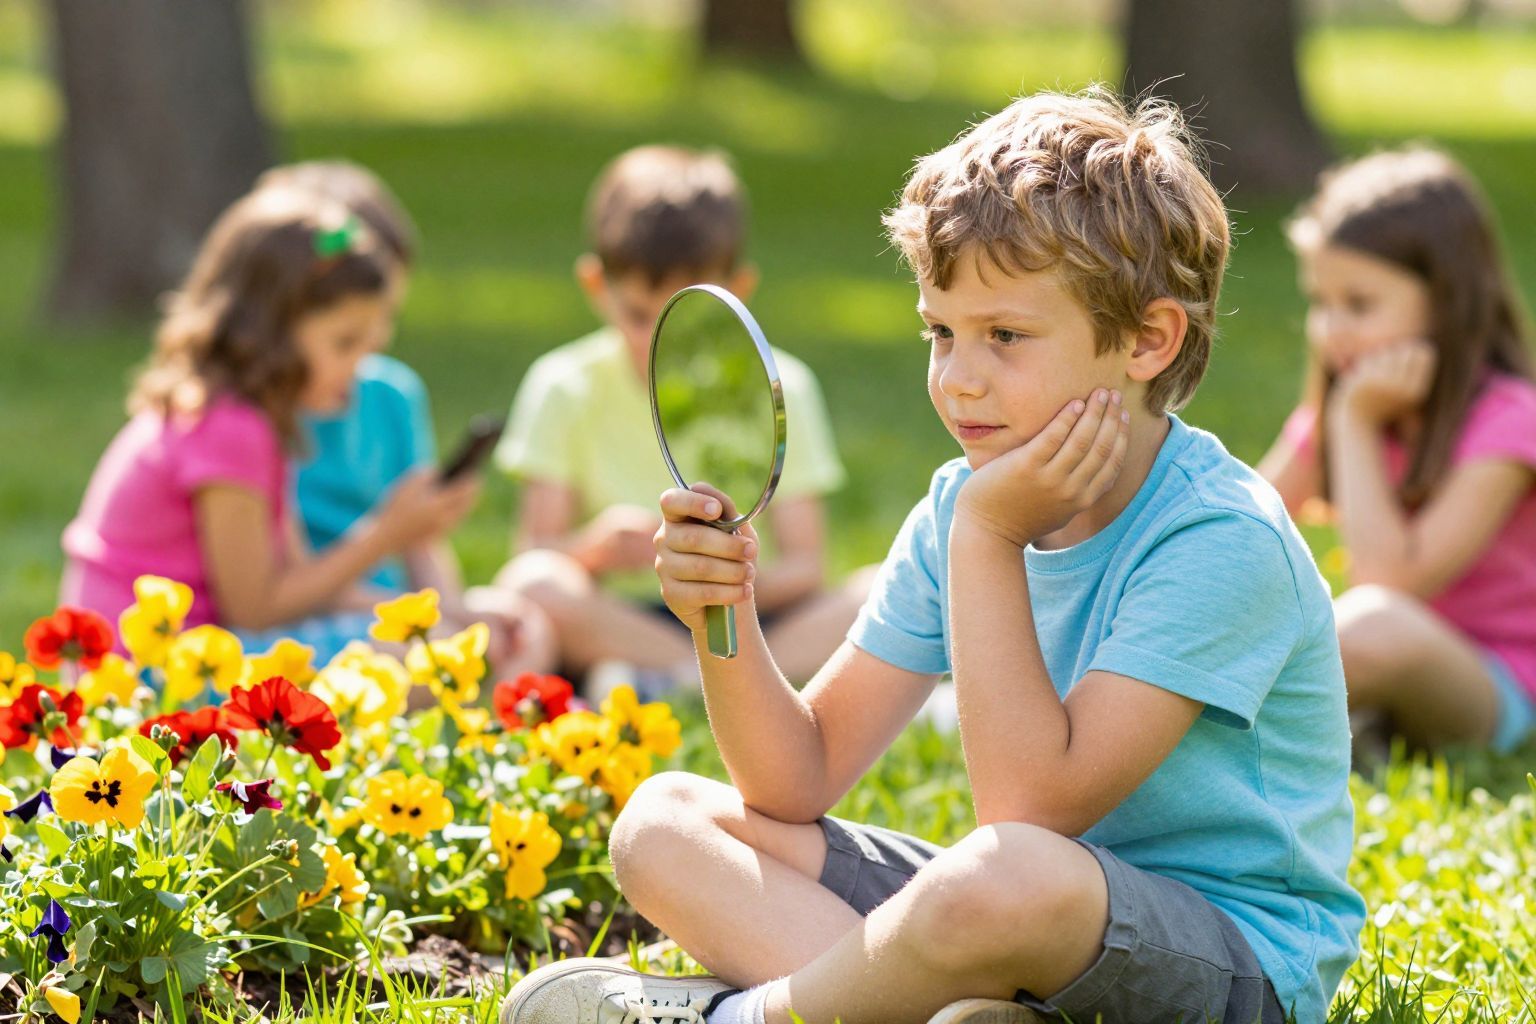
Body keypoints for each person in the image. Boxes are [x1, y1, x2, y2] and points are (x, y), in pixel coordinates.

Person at [499, 89, 1365, 1024]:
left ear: (1148, 340)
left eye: (1005, 335)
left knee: (1008, 874)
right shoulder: (964, 503)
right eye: (941, 331)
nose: (958, 377)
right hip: (1013, 921)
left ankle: (745, 1018)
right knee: (664, 822)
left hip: (1232, 963)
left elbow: (1029, 813)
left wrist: (990, 539)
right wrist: (726, 611)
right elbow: (796, 778)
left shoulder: (1217, 536)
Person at [492, 145, 870, 689]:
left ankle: (679, 681)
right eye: (639, 315)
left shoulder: (782, 386)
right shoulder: (564, 384)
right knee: (533, 584)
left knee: (878, 590)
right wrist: (596, 550)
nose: (658, 339)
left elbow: (807, 566)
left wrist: (722, 573)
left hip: (744, 614)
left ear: (738, 292)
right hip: (625, 616)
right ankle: (722, 685)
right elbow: (534, 554)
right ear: (598, 287)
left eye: (685, 316)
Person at [61, 187, 473, 668]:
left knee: (430, 646)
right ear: (268, 334)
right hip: (147, 680)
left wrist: (436, 617)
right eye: (344, 344)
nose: (360, 366)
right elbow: (257, 609)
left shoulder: (254, 419)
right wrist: (386, 534)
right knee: (408, 664)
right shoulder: (230, 428)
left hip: (193, 657)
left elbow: (304, 583)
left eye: (372, 342)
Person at [1259, 147, 1536, 759]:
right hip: (1381, 651)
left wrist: (1353, 423)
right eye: (1321, 302)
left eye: (1358, 304)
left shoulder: (1509, 423)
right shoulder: (1341, 410)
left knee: (1374, 626)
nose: (1333, 328)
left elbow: (1390, 583)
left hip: (1502, 685)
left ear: (1444, 300)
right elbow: (1241, 533)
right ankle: (1344, 731)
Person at [248, 161, 554, 676]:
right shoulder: (262, 416)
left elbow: (421, 545)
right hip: (323, 613)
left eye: (385, 313)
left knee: (526, 624)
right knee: (428, 654)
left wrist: (449, 604)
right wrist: (414, 601)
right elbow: (286, 584)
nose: (374, 339)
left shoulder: (393, 393)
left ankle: (502, 737)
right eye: (350, 328)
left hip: (399, 611)